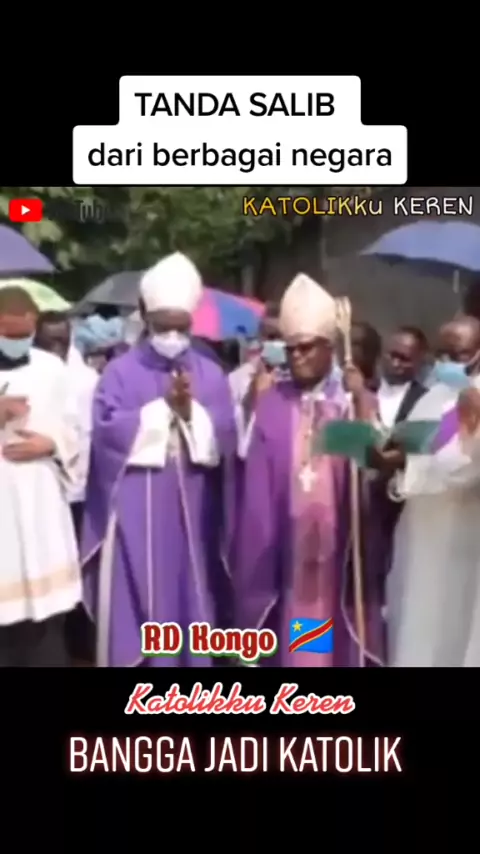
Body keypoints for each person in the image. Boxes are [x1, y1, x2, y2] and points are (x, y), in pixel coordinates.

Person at [81, 252, 237, 667]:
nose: (171, 336)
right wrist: (160, 410)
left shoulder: (210, 373)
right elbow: (106, 431)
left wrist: (190, 414)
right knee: (139, 594)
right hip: (136, 506)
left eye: (180, 327)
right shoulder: (119, 371)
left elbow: (225, 433)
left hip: (196, 505)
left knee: (193, 590)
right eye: (162, 326)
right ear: (145, 318)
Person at [235, 273, 384, 667]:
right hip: (285, 548)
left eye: (306, 348)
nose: (297, 356)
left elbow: (377, 465)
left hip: (337, 546)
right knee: (299, 627)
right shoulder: (272, 401)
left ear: (330, 348)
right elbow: (251, 478)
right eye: (291, 349)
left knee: (325, 619)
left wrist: (362, 402)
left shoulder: (349, 402)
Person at [385, 315, 480, 666]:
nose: (446, 363)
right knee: (417, 627)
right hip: (421, 535)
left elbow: (461, 469)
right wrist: (390, 456)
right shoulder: (433, 397)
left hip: (463, 539)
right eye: (442, 354)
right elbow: (413, 450)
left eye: (458, 354)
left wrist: (469, 430)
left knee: (454, 631)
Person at [0, 287, 81, 666]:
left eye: (24, 335)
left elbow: (77, 429)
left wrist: (51, 444)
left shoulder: (53, 370)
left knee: (44, 631)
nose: (17, 342)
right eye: (9, 334)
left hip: (41, 504)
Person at [35, 310, 98, 665]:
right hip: (42, 493)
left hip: (81, 493)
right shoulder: (29, 376)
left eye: (63, 340)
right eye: (49, 341)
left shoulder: (87, 380)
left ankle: (81, 647)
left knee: (79, 573)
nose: (57, 348)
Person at [229, 302, 287, 441]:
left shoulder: (300, 378)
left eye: (281, 337)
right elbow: (234, 429)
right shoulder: (237, 378)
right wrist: (252, 395)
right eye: (271, 337)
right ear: (261, 338)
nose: (276, 343)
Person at [377, 326, 428, 429]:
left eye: (404, 359)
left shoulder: (425, 399)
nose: (395, 364)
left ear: (419, 362)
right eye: (392, 355)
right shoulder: (365, 390)